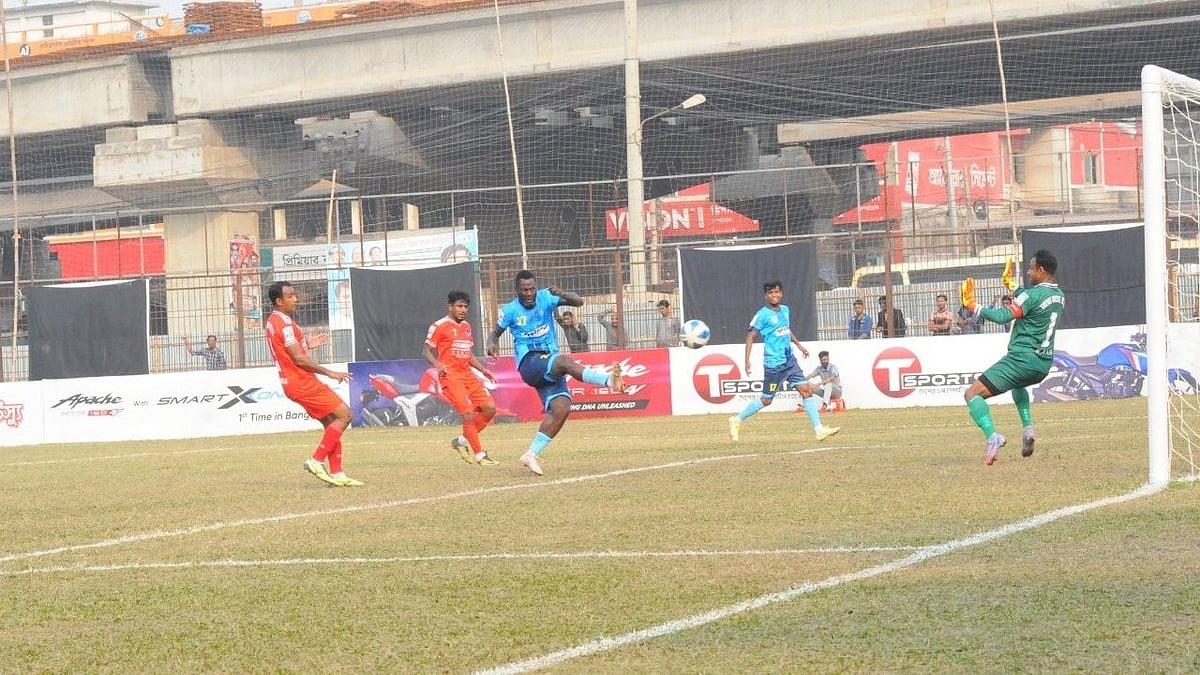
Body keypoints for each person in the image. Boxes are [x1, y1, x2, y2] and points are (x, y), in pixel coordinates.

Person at [488, 270, 625, 476]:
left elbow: (578, 302)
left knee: (561, 408)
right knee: (564, 362)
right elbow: (494, 333)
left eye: (532, 289)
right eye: (524, 290)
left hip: (548, 364)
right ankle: (608, 381)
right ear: (517, 290)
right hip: (530, 363)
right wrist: (492, 343)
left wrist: (562, 293)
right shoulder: (509, 310)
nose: (529, 293)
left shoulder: (546, 297)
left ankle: (530, 454)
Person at [960, 250, 1065, 465]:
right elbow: (1033, 302)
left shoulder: (1032, 295)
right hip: (1042, 365)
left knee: (971, 394)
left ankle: (993, 437)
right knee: (1018, 386)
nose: (1028, 272)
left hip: (1020, 360)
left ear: (1041, 270)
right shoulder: (1059, 296)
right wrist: (1011, 285)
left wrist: (973, 305)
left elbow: (1001, 317)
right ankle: (1028, 431)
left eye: (1030, 268)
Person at [265, 280, 361, 487]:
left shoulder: (274, 321)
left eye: (294, 295)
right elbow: (298, 359)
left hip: (294, 382)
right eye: (290, 296)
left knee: (331, 423)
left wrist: (308, 343)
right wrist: (329, 372)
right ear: (279, 301)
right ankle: (316, 461)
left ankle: (337, 474)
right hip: (301, 381)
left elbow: (288, 350)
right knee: (346, 415)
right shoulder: (285, 324)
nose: (296, 299)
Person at [728, 280, 839, 443]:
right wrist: (747, 360)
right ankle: (736, 420)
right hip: (774, 365)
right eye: (771, 292)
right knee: (766, 400)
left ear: (782, 293)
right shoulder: (762, 314)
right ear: (766, 295)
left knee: (806, 391)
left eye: (777, 292)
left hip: (790, 362)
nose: (774, 295)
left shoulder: (785, 310)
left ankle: (819, 430)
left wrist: (799, 345)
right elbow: (751, 336)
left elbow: (786, 330)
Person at [423, 290, 499, 466]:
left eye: (465, 306)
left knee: (490, 408)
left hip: (468, 375)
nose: (463, 309)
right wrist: (437, 364)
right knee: (468, 414)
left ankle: (461, 441)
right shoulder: (439, 326)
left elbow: (468, 353)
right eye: (459, 306)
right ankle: (480, 455)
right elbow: (425, 350)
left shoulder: (466, 326)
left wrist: (483, 370)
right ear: (450, 307)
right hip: (451, 377)